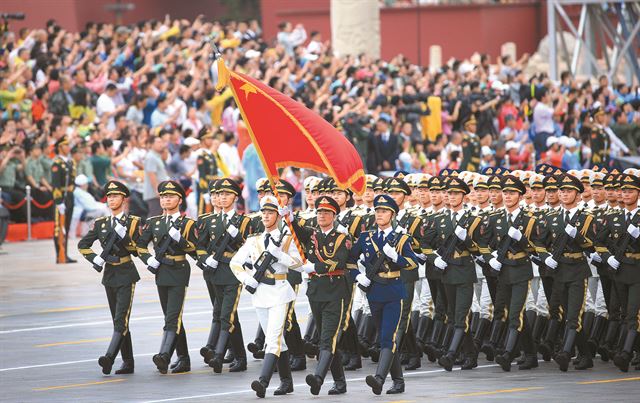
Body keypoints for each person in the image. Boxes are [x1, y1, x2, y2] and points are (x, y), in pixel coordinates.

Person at [230, 195, 303, 398]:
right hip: (260, 293)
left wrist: (281, 255)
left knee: (272, 339)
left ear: (278, 216)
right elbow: (235, 263)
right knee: (279, 340)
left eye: (270, 213)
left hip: (280, 291)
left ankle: (263, 381)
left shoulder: (287, 238)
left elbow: (300, 264)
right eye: (263, 212)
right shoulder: (254, 240)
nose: (266, 216)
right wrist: (246, 279)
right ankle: (287, 382)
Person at [351, 195, 418, 395]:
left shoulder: (401, 238)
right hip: (374, 292)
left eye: (384, 211)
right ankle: (398, 381)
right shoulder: (366, 237)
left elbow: (413, 262)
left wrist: (395, 256)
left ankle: (379, 378)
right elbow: (349, 260)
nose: (380, 215)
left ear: (392, 214)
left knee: (388, 337)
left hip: (393, 291)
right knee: (385, 338)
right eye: (377, 211)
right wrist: (358, 276)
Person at [77, 180, 142, 375]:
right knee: (118, 320)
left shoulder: (133, 222)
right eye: (109, 196)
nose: (112, 199)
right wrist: (94, 258)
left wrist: (127, 239)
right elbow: (82, 245)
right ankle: (128, 362)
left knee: (121, 318)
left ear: (124, 199)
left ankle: (109, 357)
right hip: (109, 274)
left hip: (126, 272)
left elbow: (139, 251)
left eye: (115, 196)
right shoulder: (101, 224)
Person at [535, 174, 596, 372]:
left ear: (578, 195)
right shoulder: (551, 217)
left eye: (568, 191)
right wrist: (546, 258)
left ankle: (566, 353)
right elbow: (539, 243)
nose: (563, 194)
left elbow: (591, 245)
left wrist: (576, 236)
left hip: (577, 269)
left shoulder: (586, 217)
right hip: (558, 269)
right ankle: (586, 354)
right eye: (562, 190)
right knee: (559, 311)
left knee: (573, 314)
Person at [476, 175, 538, 371]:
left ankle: (508, 353)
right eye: (505, 192)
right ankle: (530, 354)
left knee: (516, 313)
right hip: (502, 271)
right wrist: (490, 258)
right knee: (504, 311)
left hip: (520, 269)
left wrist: (522, 240)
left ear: (520, 195)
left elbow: (537, 247)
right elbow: (483, 243)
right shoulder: (496, 218)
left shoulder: (528, 218)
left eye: (512, 193)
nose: (508, 196)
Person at [291, 195, 351, 395]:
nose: (322, 215)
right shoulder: (312, 235)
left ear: (334, 215)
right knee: (328, 340)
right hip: (316, 292)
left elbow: (339, 262)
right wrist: (288, 218)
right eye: (319, 212)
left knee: (328, 338)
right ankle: (340, 382)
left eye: (326, 212)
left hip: (335, 291)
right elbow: (297, 231)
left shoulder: (342, 237)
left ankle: (318, 378)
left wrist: (315, 266)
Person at [136, 181, 197, 374]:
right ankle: (184, 358)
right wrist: (148, 260)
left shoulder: (187, 224)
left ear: (179, 199)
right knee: (172, 316)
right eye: (163, 196)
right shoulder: (154, 223)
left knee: (172, 316)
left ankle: (164, 355)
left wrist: (181, 240)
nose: (166, 200)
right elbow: (140, 246)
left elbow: (196, 250)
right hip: (161, 271)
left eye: (170, 196)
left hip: (179, 269)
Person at [425, 176, 482, 372]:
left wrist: (466, 239)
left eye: (456, 193)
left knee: (461, 314)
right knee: (452, 314)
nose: (452, 196)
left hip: (464, 270)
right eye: (449, 193)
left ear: (464, 196)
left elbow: (478, 249)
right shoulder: (440, 219)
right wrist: (434, 258)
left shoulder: (472, 219)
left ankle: (450, 354)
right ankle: (470, 354)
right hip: (446, 271)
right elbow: (426, 244)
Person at [196, 178, 253, 374]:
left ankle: (219, 355)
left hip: (232, 271)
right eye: (220, 194)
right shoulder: (210, 220)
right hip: (214, 271)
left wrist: (237, 235)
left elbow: (250, 246)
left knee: (226, 314)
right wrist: (205, 259)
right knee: (225, 314)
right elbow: (200, 246)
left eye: (227, 194)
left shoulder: (244, 221)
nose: (222, 197)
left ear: (235, 197)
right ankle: (240, 357)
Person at [595, 174, 640, 372]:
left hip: (637, 269)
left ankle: (626, 353)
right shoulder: (614, 217)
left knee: (633, 314)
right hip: (619, 270)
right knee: (625, 313)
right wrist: (607, 258)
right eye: (624, 191)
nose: (626, 194)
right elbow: (599, 242)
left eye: (631, 191)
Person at [51, 136, 77, 264]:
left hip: (70, 196)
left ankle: (65, 254)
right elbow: (55, 184)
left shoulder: (70, 162)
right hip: (61, 197)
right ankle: (59, 255)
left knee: (66, 226)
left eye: (68, 145)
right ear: (59, 147)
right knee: (59, 227)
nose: (68, 147)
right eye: (65, 145)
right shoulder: (57, 163)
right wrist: (58, 202)